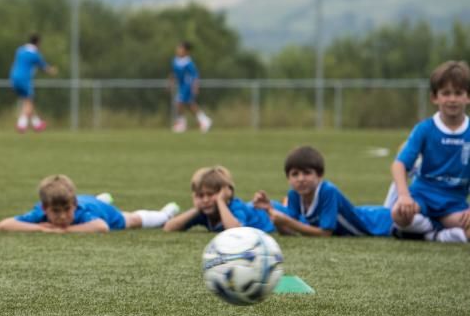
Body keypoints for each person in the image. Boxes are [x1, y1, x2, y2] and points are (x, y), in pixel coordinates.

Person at [389, 60, 470, 243]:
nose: (452, 99)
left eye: (458, 93)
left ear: (468, 96)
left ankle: (433, 234)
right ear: (435, 97)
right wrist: (404, 195)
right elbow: (399, 164)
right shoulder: (424, 129)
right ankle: (436, 230)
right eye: (446, 93)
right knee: (398, 213)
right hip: (422, 197)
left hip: (454, 204)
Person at [252, 146, 393, 237]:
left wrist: (287, 221)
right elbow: (289, 232)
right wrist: (270, 211)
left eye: (307, 173)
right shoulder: (294, 194)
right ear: (288, 178)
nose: (300, 179)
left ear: (319, 175)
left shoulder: (327, 191)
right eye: (295, 174)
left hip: (379, 223)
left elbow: (325, 233)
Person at [0, 174, 179, 233]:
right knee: (96, 202)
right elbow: (3, 225)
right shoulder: (39, 213)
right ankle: (101, 197)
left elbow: (102, 226)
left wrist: (64, 230)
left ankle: (165, 214)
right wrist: (42, 229)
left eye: (67, 210)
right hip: (89, 200)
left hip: (100, 210)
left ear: (73, 205)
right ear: (45, 208)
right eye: (55, 211)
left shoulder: (81, 213)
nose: (61, 216)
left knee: (131, 219)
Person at [163, 166, 276, 233]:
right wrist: (197, 209)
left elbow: (235, 232)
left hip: (270, 215)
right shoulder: (204, 212)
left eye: (210, 194)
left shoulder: (235, 207)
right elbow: (169, 227)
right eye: (200, 195)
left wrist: (221, 201)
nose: (205, 200)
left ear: (227, 192)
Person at [9, 33, 57, 133]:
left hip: (13, 77)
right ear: (38, 43)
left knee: (27, 102)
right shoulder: (35, 54)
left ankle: (37, 124)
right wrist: (52, 70)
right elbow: (45, 67)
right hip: (24, 79)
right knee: (29, 102)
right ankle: (21, 125)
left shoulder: (20, 50)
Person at [168, 41, 211, 133]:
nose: (178, 50)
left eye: (180, 48)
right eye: (178, 48)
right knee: (189, 104)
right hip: (181, 85)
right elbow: (174, 73)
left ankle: (181, 124)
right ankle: (204, 120)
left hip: (187, 85)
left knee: (179, 103)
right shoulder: (175, 60)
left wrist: (195, 87)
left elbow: (195, 75)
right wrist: (170, 83)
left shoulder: (188, 62)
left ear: (186, 51)